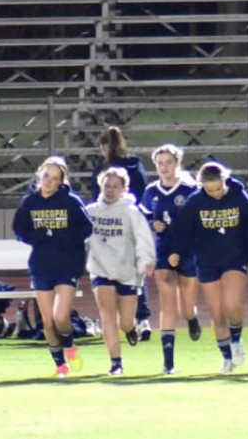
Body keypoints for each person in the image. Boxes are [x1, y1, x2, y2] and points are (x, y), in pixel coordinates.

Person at [168, 161, 248, 373]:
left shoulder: (239, 197)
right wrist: (176, 252)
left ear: (224, 181)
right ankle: (227, 357)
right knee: (217, 314)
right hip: (207, 261)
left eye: (218, 188)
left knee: (233, 304)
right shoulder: (195, 202)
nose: (215, 194)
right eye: (209, 190)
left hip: (234, 258)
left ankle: (237, 340)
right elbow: (182, 230)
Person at [13, 155, 96, 378]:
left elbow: (86, 228)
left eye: (54, 178)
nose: (48, 181)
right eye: (46, 176)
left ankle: (69, 345)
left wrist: (64, 236)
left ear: (61, 181)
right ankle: (60, 364)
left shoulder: (70, 201)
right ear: (41, 175)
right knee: (48, 321)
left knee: (61, 316)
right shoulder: (30, 202)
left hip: (67, 264)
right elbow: (19, 230)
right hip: (41, 265)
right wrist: (37, 235)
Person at [85, 166, 157, 376]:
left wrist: (146, 261)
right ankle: (116, 363)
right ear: (101, 185)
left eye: (115, 186)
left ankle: (130, 329)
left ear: (124, 189)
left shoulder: (131, 213)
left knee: (124, 322)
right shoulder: (91, 212)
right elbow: (80, 238)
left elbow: (143, 239)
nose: (110, 190)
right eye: (107, 185)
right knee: (107, 316)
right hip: (100, 269)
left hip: (127, 271)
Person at [141, 144, 203, 375]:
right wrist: (152, 225)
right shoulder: (151, 192)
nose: (164, 167)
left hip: (188, 251)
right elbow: (143, 221)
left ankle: (192, 317)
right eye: (160, 163)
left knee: (185, 306)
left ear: (177, 163)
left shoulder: (190, 189)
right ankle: (168, 361)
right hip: (163, 250)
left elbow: (200, 220)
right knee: (167, 304)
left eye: (169, 162)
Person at [91, 125, 153, 342]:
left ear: (104, 146)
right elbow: (143, 194)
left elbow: (96, 200)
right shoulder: (135, 165)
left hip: (112, 229)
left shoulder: (102, 170)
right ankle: (141, 318)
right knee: (136, 272)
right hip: (131, 226)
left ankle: (121, 319)